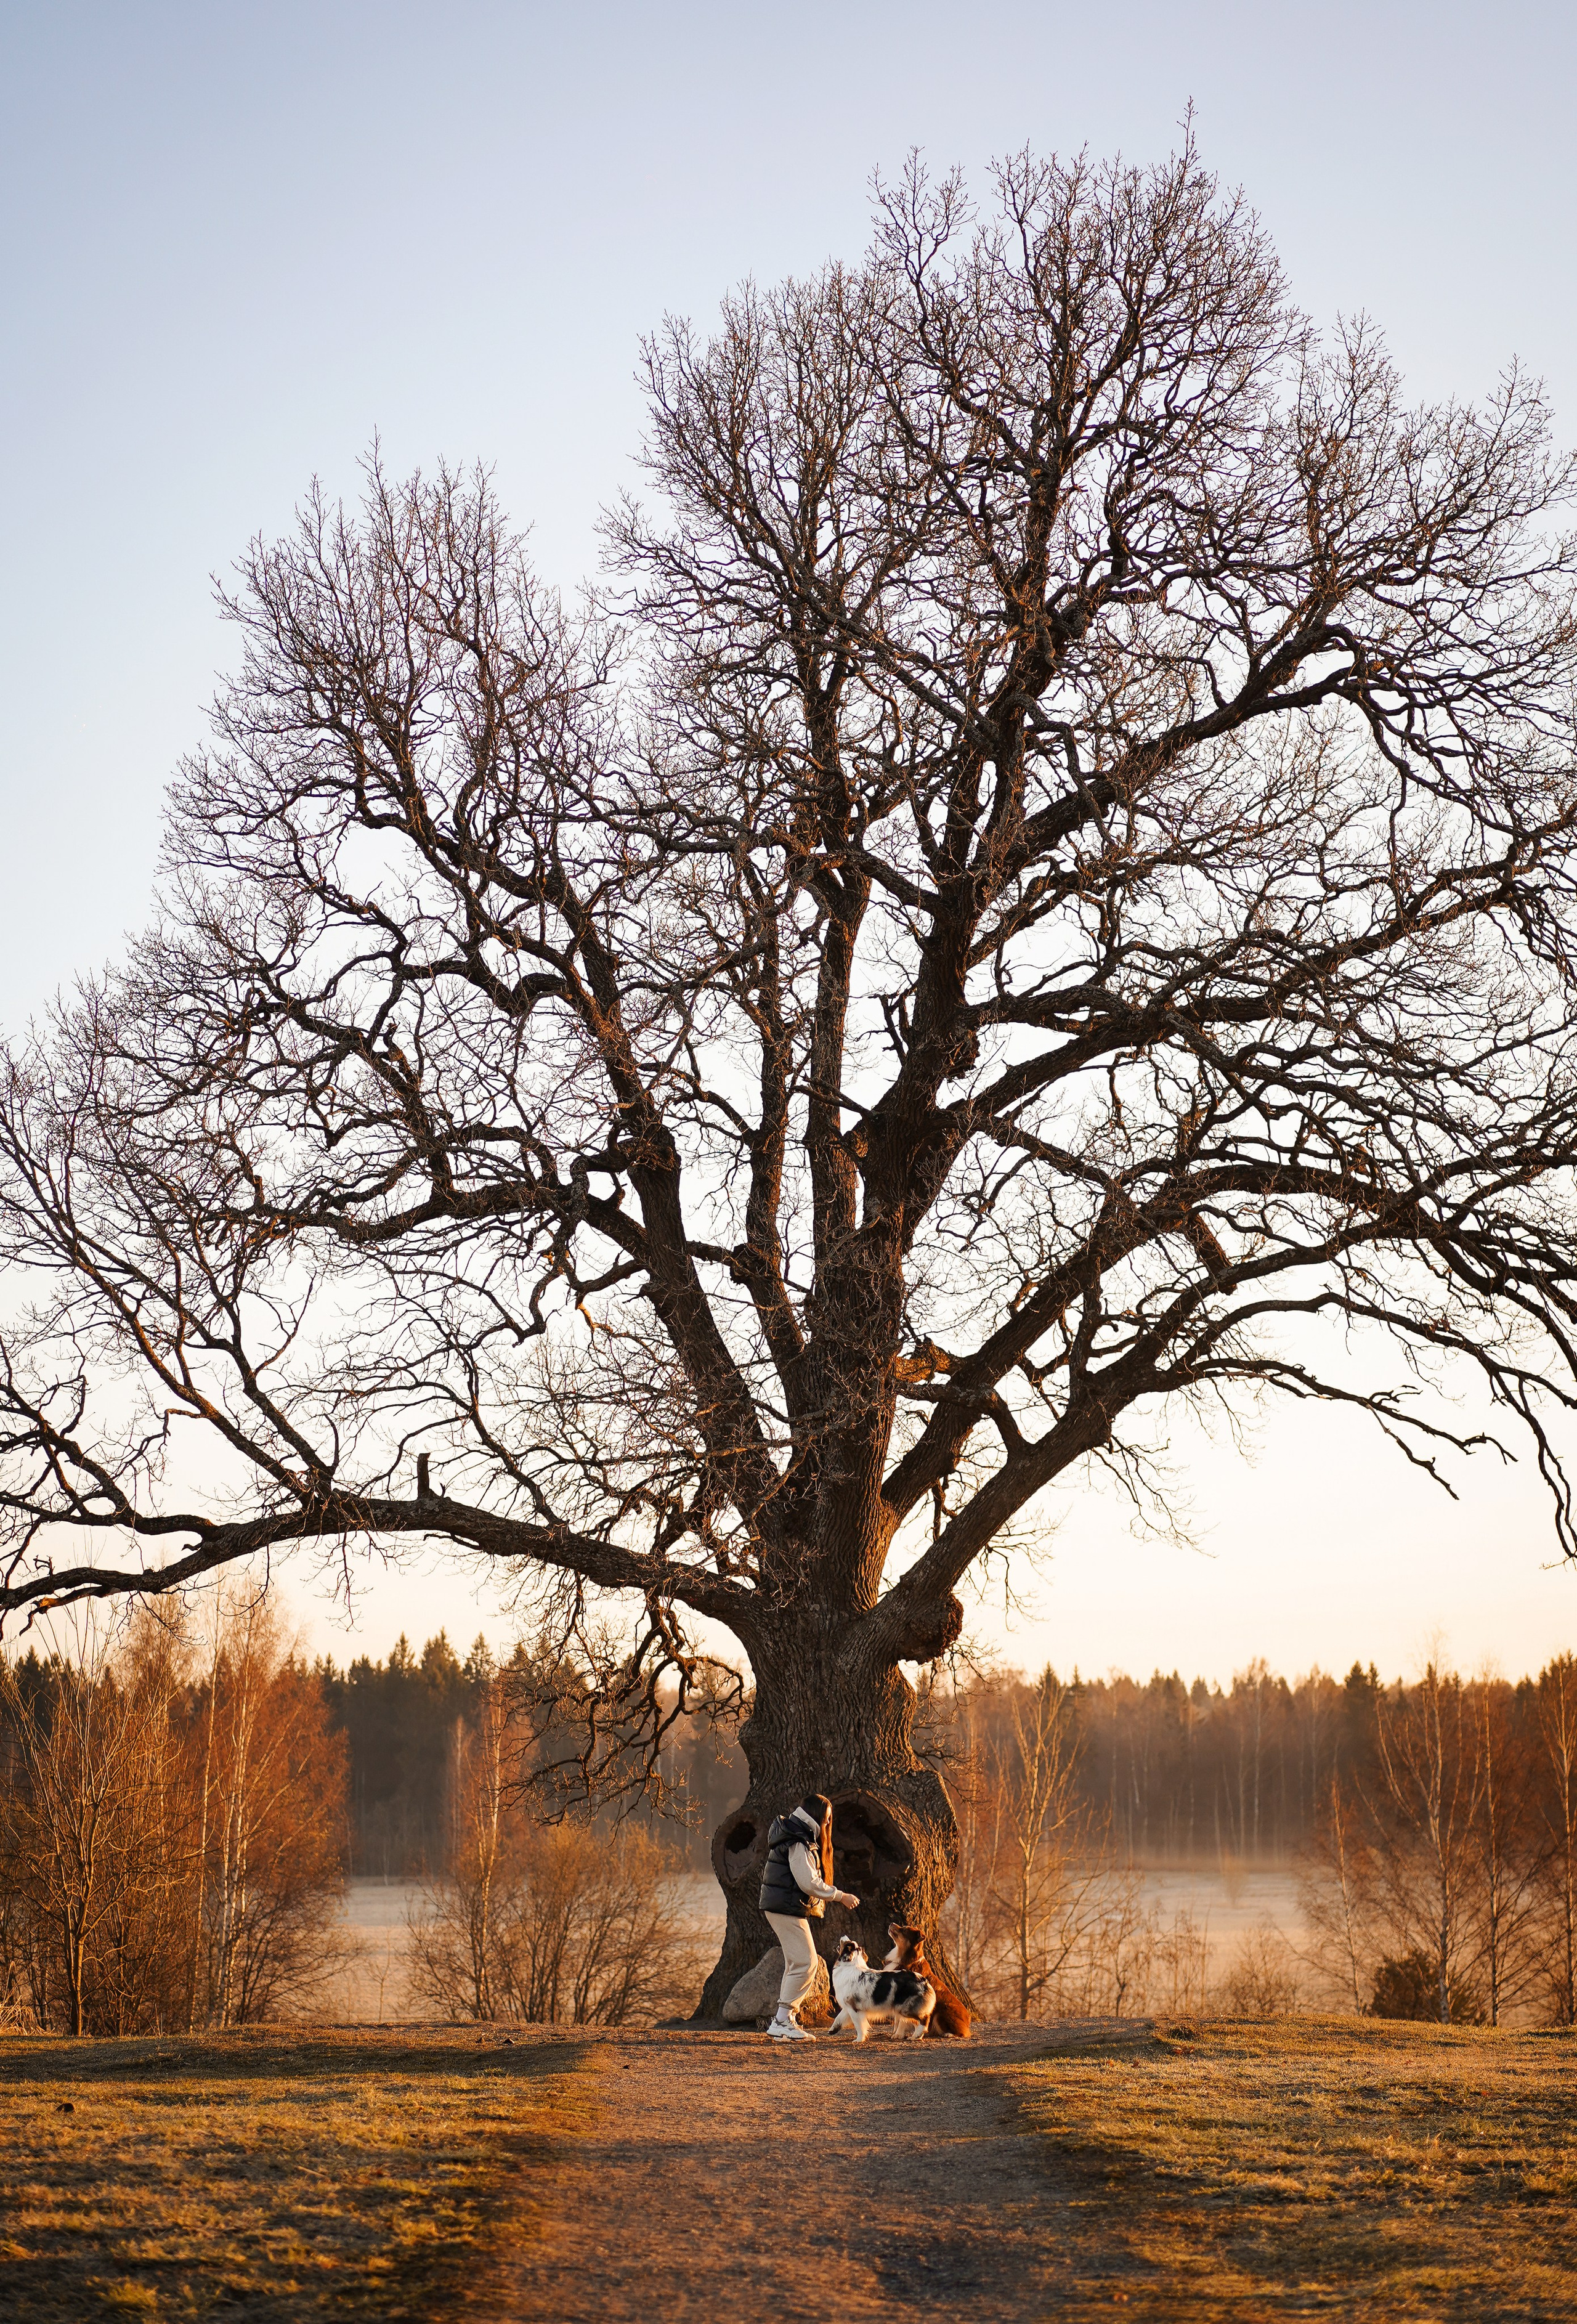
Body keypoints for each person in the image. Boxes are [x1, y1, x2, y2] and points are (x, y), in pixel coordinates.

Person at [757, 1791, 859, 2043]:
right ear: (818, 1816)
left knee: (797, 1963)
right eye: (827, 1819)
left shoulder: (795, 1832)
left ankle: (783, 2020)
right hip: (785, 1907)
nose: (828, 1825)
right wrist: (840, 1896)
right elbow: (808, 1883)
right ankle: (782, 2021)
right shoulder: (799, 1840)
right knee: (807, 1963)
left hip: (782, 1906)